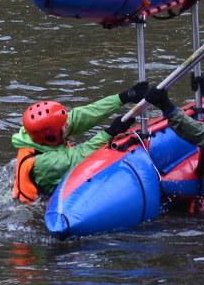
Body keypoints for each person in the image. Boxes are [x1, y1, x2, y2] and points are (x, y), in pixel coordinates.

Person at [11, 80, 148, 203]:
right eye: (64, 125)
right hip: (33, 203)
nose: (68, 124)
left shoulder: (38, 132)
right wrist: (111, 132)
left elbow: (82, 116)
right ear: (52, 136)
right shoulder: (46, 162)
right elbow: (81, 154)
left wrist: (123, 97)